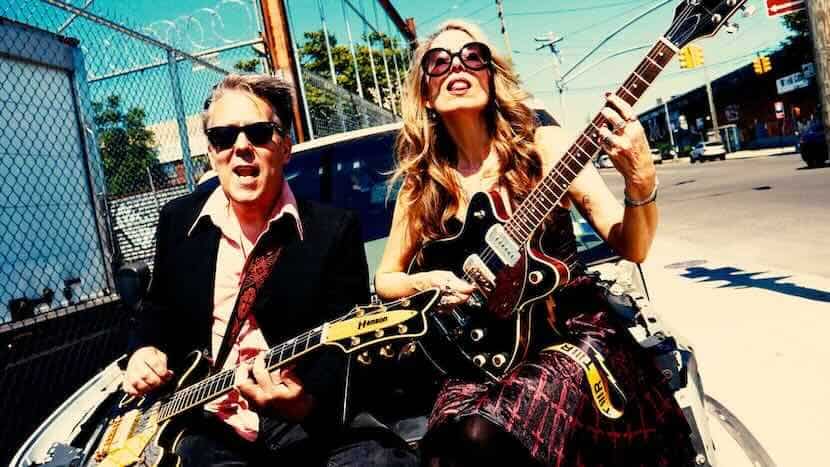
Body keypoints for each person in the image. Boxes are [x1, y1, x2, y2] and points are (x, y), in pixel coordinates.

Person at [375, 21, 695, 466]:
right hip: (480, 354)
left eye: (472, 56)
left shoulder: (545, 146)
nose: (457, 67)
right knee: (442, 451)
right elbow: (386, 278)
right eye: (438, 61)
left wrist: (640, 178)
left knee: (481, 434)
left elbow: (632, 245)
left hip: (568, 338)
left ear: (491, 75)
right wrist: (428, 282)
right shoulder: (423, 185)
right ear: (425, 92)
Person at [124, 74, 417, 466]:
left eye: (260, 133)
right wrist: (144, 348)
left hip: (303, 420)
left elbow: (343, 347)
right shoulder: (178, 221)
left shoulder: (333, 229)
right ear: (211, 153)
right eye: (224, 137)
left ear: (285, 148)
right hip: (204, 422)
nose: (241, 147)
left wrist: (306, 400)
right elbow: (157, 309)